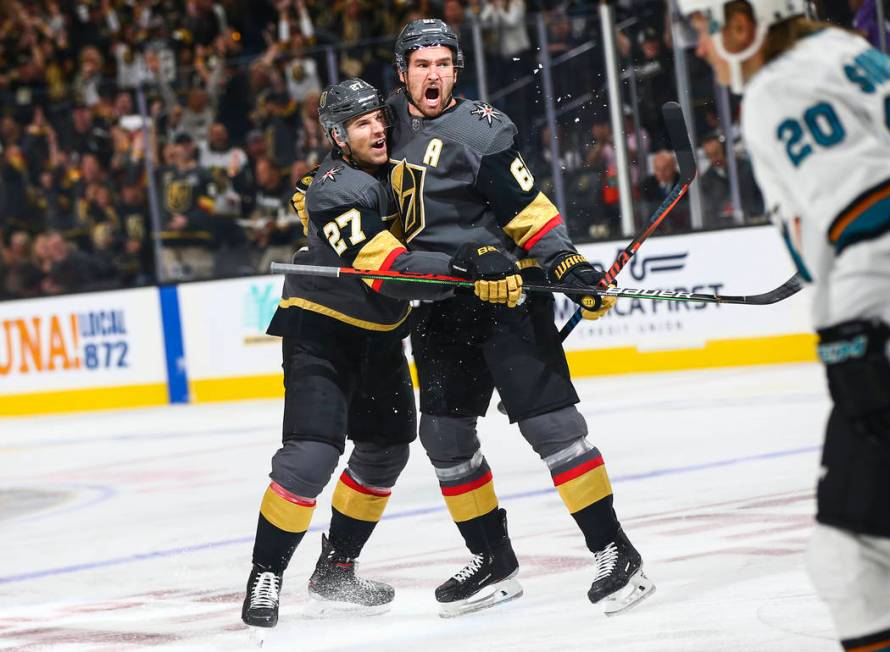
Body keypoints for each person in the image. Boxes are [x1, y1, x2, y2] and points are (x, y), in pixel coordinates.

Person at [386, 18, 655, 617]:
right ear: (403, 72)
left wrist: (564, 262)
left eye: (443, 63)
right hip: (436, 308)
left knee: (552, 426)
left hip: (504, 298)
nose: (433, 74)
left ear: (457, 69)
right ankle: (493, 561)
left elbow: (528, 208)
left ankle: (616, 552)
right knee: (445, 439)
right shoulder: (383, 125)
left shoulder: (481, 132)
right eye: (421, 64)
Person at [240, 78, 516, 630]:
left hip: (382, 334)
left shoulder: (399, 171)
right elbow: (389, 272)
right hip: (321, 329)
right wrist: (463, 271)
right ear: (339, 137)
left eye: (379, 119)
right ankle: (265, 574)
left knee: (387, 450)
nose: (378, 130)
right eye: (363, 124)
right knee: (311, 457)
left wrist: (485, 254)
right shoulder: (334, 188)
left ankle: (336, 569)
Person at [679, 0, 890, 649]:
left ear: (742, 23)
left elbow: (871, 210)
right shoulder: (846, 53)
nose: (700, 48)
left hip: (876, 316)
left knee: (849, 553)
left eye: (704, 30)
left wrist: (851, 330)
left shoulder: (780, 88)